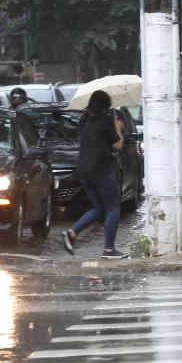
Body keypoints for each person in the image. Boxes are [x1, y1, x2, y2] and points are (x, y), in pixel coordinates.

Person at [62, 90, 126, 258]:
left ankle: (72, 233)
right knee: (113, 207)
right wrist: (118, 128)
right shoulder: (105, 121)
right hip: (101, 169)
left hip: (84, 170)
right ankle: (109, 250)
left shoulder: (83, 120)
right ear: (105, 106)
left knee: (99, 208)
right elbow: (118, 145)